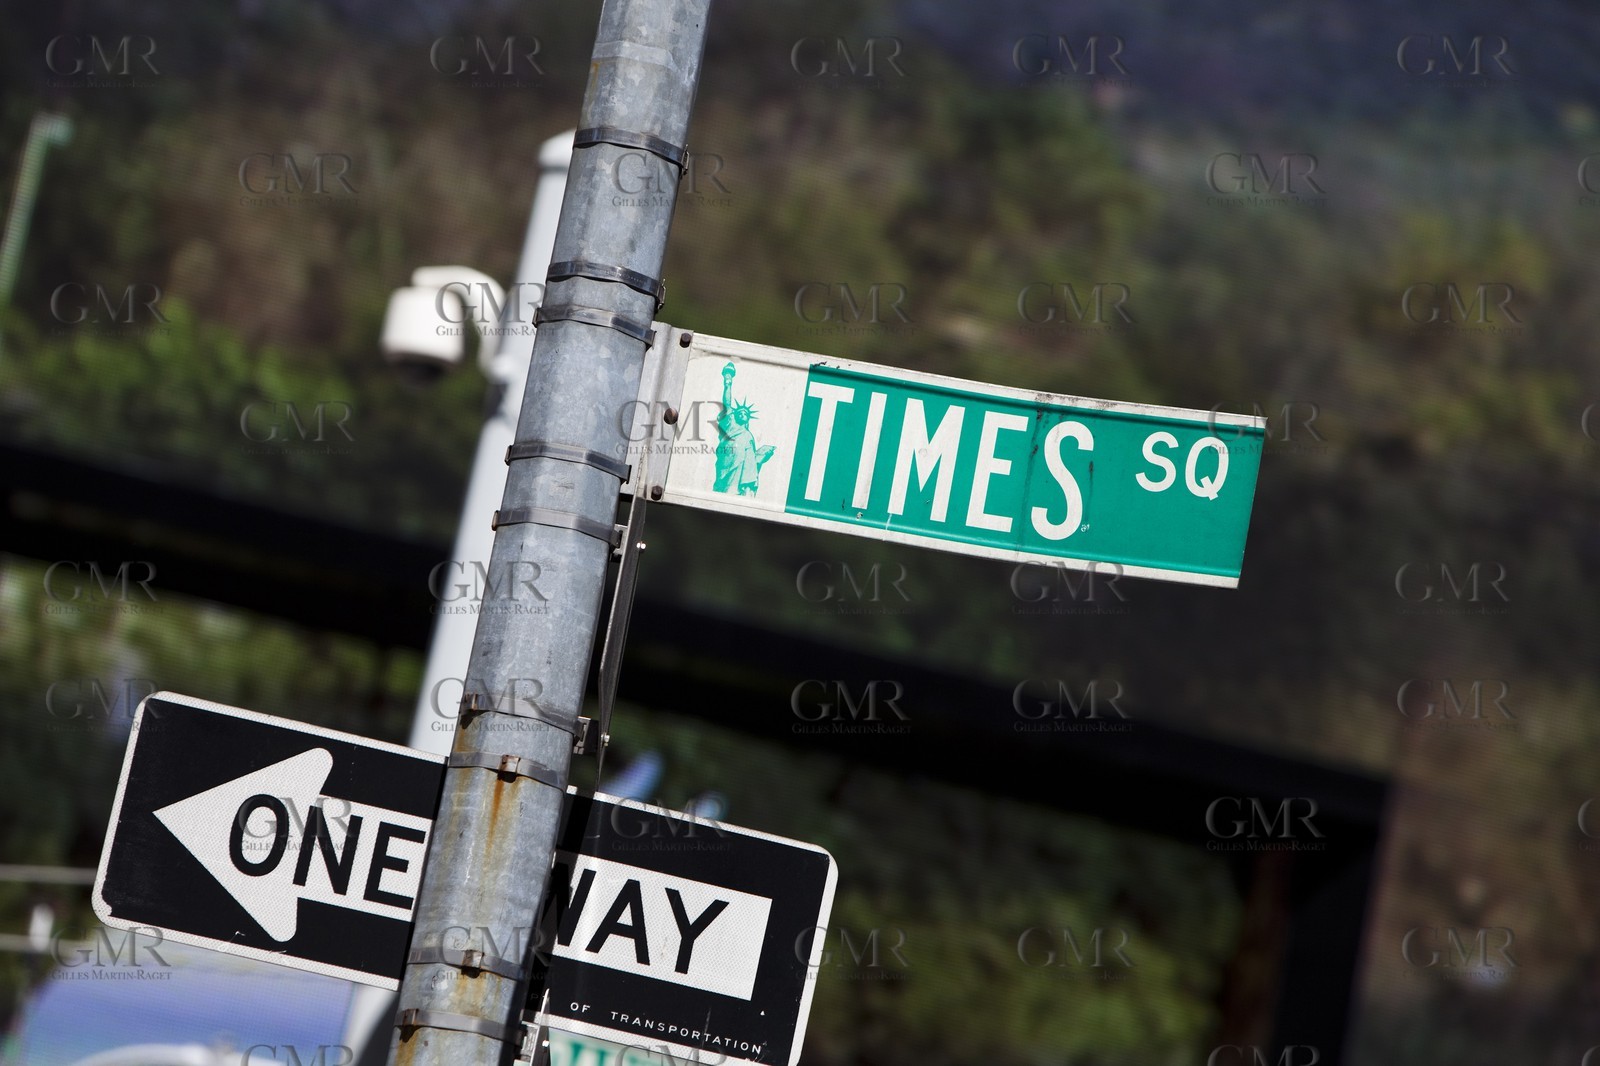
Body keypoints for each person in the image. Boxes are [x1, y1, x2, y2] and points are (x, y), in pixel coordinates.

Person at [713, 362, 775, 495]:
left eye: (745, 413)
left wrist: (762, 454)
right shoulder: (730, 423)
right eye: (740, 412)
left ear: (748, 418)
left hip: (743, 472)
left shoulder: (748, 435)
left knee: (739, 492)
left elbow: (751, 461)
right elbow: (727, 404)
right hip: (728, 458)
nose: (742, 414)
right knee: (725, 489)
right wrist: (728, 382)